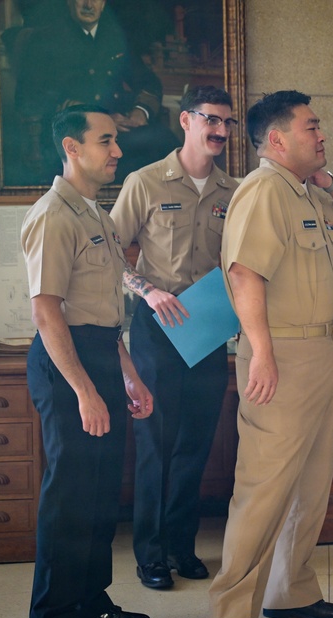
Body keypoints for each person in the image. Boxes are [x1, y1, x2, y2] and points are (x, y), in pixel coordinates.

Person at [206, 90, 333, 618]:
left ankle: (289, 589)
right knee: (263, 488)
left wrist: (327, 179)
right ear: (277, 139)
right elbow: (244, 277)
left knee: (309, 483)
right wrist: (260, 352)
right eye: (311, 127)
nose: (321, 134)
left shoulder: (307, 191)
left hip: (322, 352)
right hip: (279, 354)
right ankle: (229, 611)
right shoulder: (262, 192)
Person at [21, 104, 155, 618]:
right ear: (72, 148)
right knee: (69, 500)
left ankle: (90, 602)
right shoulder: (53, 214)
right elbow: (48, 313)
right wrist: (83, 390)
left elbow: (103, 313)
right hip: (65, 364)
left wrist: (127, 376)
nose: (117, 151)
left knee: (101, 497)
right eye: (106, 141)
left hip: (100, 355)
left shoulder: (95, 212)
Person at [110, 85, 238, 590]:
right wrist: (147, 290)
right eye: (211, 120)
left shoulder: (234, 191)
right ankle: (151, 555)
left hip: (207, 326)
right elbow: (110, 255)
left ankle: (182, 547)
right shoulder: (145, 182)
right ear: (186, 121)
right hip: (156, 328)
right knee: (155, 443)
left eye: (227, 123)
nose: (221, 131)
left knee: (195, 442)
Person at [14, 0, 178, 184]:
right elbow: (30, 98)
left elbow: (148, 82)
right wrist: (103, 121)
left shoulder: (114, 37)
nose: (88, 5)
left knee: (165, 143)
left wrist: (140, 111)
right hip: (73, 134)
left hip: (119, 129)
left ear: (103, 3)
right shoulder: (45, 40)